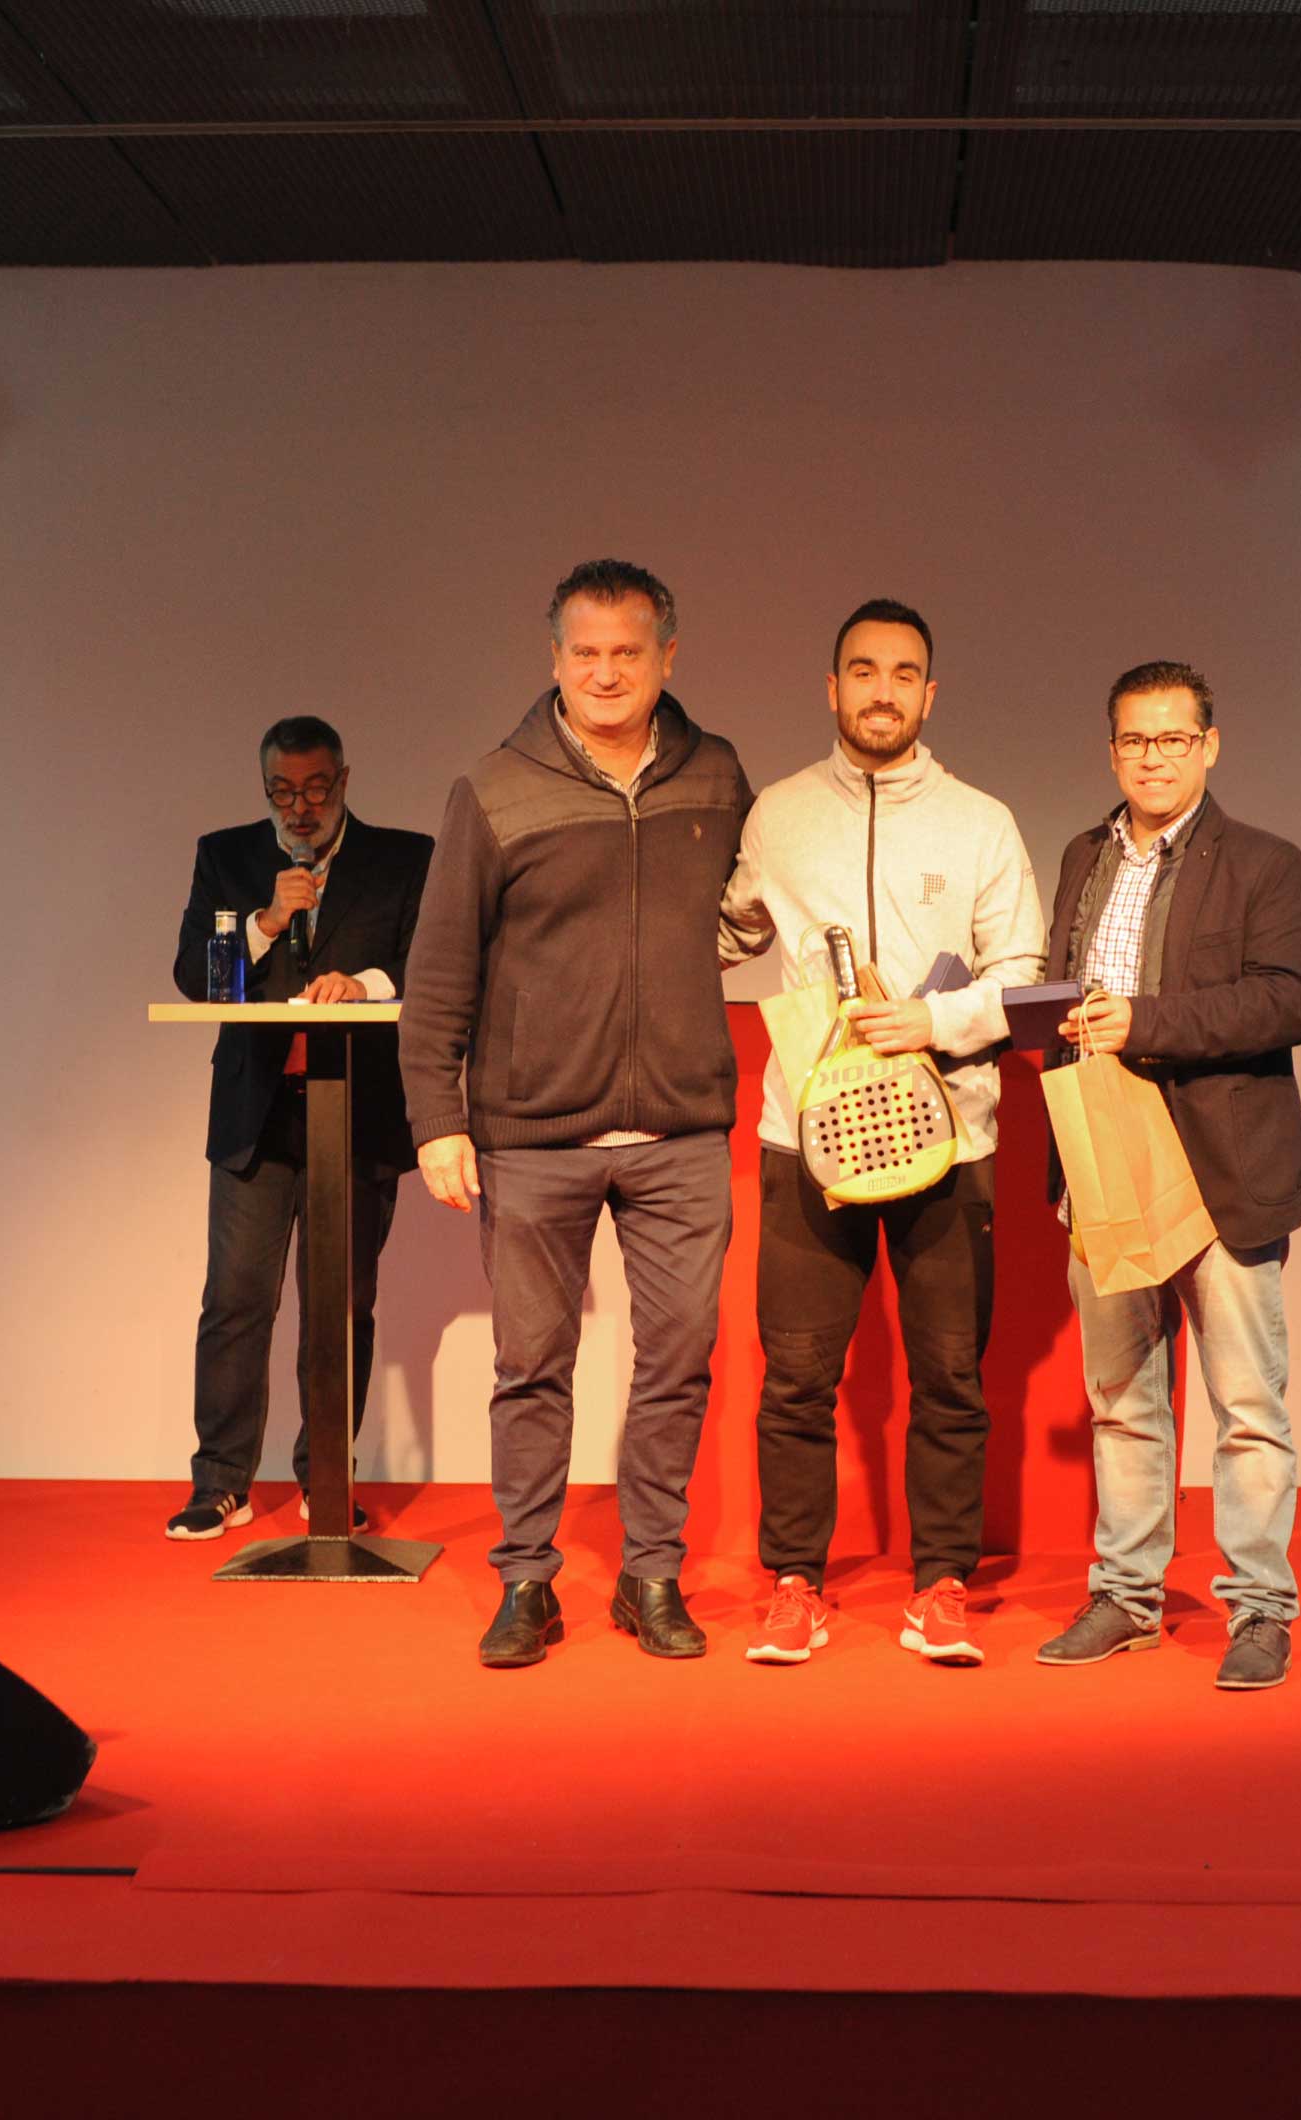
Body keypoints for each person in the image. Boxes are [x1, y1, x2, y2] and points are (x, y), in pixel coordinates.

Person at [400, 560, 753, 1667]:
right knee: (531, 1367)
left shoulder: (718, 775)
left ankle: (652, 1573)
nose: (606, 672)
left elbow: (749, 909)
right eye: (585, 652)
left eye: (627, 652)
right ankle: (526, 1580)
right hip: (533, 1136)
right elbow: (440, 967)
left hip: (681, 1131)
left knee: (678, 1361)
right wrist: (437, 1118)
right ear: (553, 659)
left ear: (667, 659)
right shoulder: (494, 788)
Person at [717, 598, 1044, 1666]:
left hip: (951, 1140)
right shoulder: (776, 815)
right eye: (863, 670)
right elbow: (725, 931)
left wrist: (931, 1022)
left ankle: (941, 1583)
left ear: (930, 694)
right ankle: (794, 1585)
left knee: (950, 1374)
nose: (882, 691)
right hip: (806, 1135)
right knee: (796, 1376)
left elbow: (1024, 974)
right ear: (832, 687)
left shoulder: (981, 821)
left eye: (904, 673)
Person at [1034, 661, 1301, 1690]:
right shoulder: (1083, 854)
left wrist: (1144, 1022)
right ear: (1111, 750)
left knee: (1247, 1406)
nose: (1152, 757)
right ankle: (1126, 1595)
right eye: (1134, 739)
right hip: (1104, 1153)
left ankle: (1259, 1609)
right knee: (1121, 1398)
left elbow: (1289, 1002)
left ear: (1209, 745)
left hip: (1222, 1164)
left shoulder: (1266, 862)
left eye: (1172, 738)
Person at [166, 717, 432, 1542]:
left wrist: (368, 983)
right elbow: (194, 976)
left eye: (316, 788)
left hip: (356, 1109)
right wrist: (265, 923)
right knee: (236, 1298)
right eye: (283, 791)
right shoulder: (227, 856)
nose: (301, 807)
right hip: (258, 1111)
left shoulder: (403, 858)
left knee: (342, 1304)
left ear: (343, 781)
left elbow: (434, 963)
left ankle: (326, 1477)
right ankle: (221, 1483)